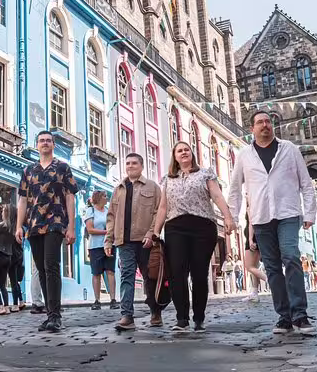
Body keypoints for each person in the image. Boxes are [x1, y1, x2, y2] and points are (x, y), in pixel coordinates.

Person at [228, 111, 317, 335]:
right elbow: (235, 190)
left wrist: (310, 214)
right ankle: (284, 317)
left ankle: (300, 314)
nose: (265, 125)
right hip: (260, 217)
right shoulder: (244, 155)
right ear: (252, 129)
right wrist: (232, 217)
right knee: (272, 267)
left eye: (268, 121)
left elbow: (306, 184)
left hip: (288, 213)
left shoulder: (290, 149)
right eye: (260, 122)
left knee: (291, 256)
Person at [154, 141, 236, 333]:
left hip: (202, 226)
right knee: (177, 273)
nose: (183, 152)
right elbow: (163, 207)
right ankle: (181, 319)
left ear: (192, 154)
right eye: (179, 150)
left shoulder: (205, 173)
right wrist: (156, 231)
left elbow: (216, 196)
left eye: (187, 149)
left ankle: (199, 317)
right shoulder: (167, 179)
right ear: (174, 156)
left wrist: (228, 216)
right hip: (175, 227)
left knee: (199, 273)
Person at [15, 131, 78, 333]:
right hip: (34, 224)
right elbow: (23, 199)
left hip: (56, 221)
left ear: (53, 145)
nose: (45, 143)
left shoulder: (62, 167)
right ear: (37, 145)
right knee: (41, 268)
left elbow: (70, 197)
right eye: (41, 140)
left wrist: (72, 227)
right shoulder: (28, 170)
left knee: (51, 265)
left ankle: (55, 316)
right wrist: (18, 226)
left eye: (48, 141)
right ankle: (50, 313)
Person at [105, 153, 162, 330]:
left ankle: (155, 311)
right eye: (128, 163)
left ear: (142, 166)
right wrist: (108, 240)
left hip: (146, 241)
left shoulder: (152, 187)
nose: (130, 166)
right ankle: (127, 316)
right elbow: (111, 216)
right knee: (126, 277)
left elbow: (159, 212)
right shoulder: (119, 189)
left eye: (134, 163)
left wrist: (152, 234)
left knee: (150, 278)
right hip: (124, 242)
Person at [84, 191, 118, 311]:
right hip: (95, 246)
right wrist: (107, 232)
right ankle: (97, 300)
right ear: (98, 198)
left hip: (110, 244)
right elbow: (90, 229)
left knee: (110, 271)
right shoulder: (91, 211)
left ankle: (113, 299)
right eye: (104, 196)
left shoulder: (109, 210)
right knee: (96, 273)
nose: (106, 197)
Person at [242, 200, 268, 303]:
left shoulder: (251, 203)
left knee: (249, 267)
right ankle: (254, 293)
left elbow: (251, 222)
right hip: (259, 235)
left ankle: (273, 282)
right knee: (254, 267)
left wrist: (250, 239)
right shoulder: (260, 203)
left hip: (253, 237)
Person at [7, 204, 25, 313]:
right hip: (19, 256)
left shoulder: (9, 227)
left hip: (12, 256)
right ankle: (21, 301)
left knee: (13, 281)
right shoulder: (19, 227)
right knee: (15, 281)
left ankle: (15, 304)